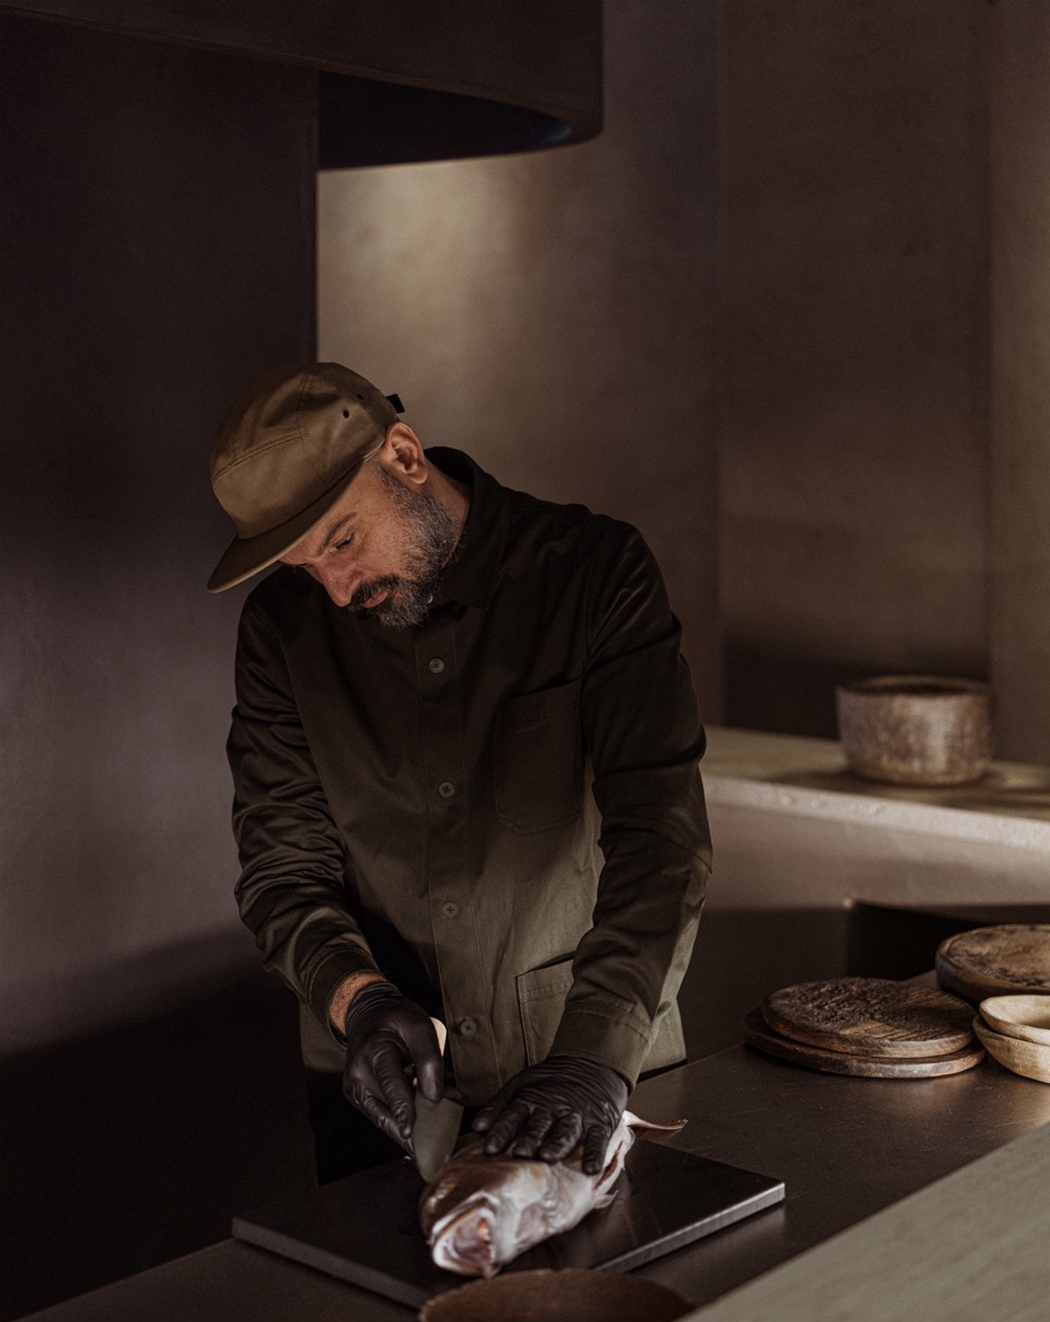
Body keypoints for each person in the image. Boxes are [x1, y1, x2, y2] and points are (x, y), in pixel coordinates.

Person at [207, 361, 711, 1183]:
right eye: (303, 567)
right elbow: (282, 870)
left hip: (591, 1075)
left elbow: (663, 842)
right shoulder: (281, 634)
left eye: (342, 541)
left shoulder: (594, 573)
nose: (337, 591)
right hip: (387, 1103)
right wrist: (358, 1000)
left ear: (404, 456)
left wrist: (592, 1055)